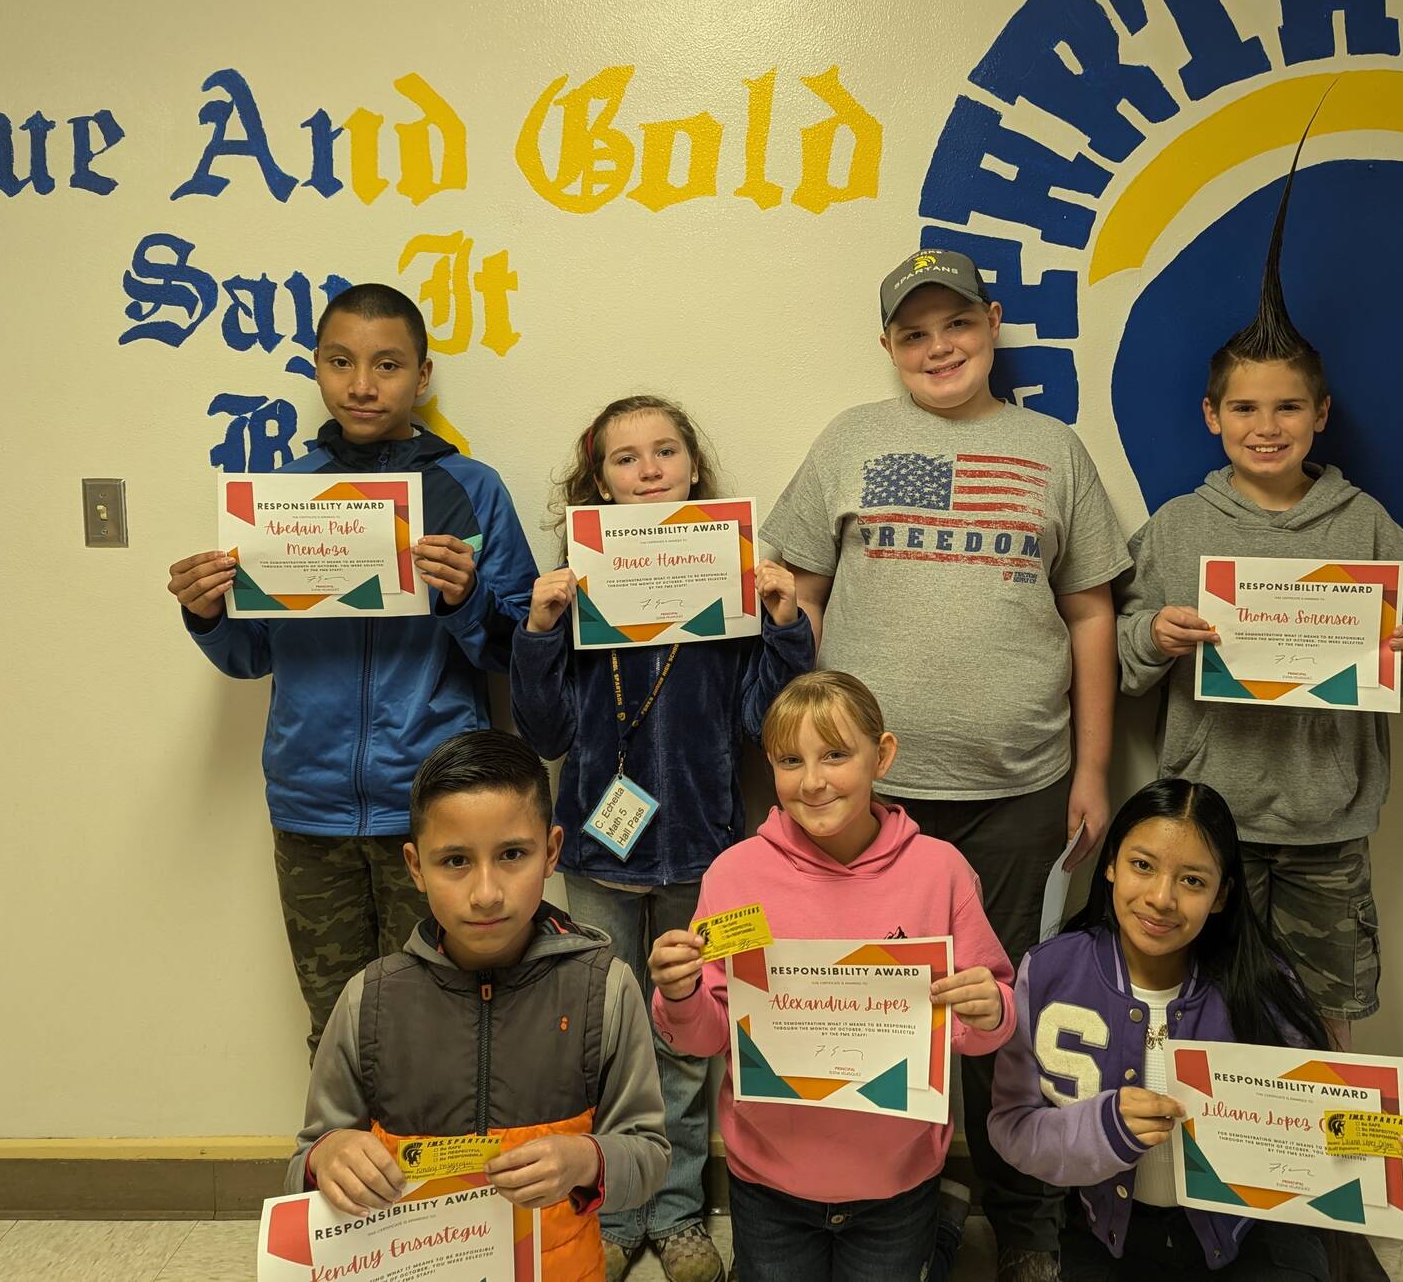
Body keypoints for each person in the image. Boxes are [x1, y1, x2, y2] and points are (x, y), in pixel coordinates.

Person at [763, 250, 1131, 1280]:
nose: (938, 347)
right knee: (873, 1010)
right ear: (888, 347)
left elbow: (1091, 609)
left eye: (955, 324)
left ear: (992, 324)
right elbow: (795, 584)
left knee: (998, 1012)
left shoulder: (1050, 449)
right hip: (863, 799)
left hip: (1019, 787)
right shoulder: (852, 442)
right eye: (913, 333)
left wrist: (1091, 770)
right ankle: (902, 1211)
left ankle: (1023, 1220)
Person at [1115, 144, 1403, 1049]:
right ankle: (1200, 1184)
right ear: (1211, 417)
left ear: (1320, 415)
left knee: (1320, 1023)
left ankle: (1311, 1185)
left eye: (1285, 410)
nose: (1265, 428)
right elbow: (1117, 658)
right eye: (1244, 410)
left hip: (1326, 828)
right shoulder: (1178, 527)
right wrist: (1153, 633)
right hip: (1202, 823)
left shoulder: (1367, 525)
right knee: (1192, 1015)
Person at [166, 283, 537, 1057]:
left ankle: (446, 1182)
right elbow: (250, 656)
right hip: (310, 805)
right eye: (341, 362)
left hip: (437, 809)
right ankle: (346, 1179)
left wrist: (465, 598)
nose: (362, 385)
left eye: (387, 364)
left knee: (450, 1026)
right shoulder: (280, 497)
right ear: (316, 369)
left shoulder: (471, 489)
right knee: (337, 1032)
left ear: (422, 376)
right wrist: (206, 613)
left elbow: (518, 649)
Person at [510, 394, 814, 1282]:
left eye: (666, 452)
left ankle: (678, 1210)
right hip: (600, 852)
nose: (648, 470)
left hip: (714, 852)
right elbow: (546, 735)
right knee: (603, 1034)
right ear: (595, 480)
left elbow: (768, 720)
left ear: (693, 468)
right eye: (625, 459)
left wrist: (786, 624)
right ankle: (612, 1209)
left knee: (692, 1035)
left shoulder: (735, 575)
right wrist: (539, 630)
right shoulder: (576, 584)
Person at [989, 778, 1403, 1279]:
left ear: (1221, 896)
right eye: (1142, 865)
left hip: (1250, 1239)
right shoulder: (1049, 972)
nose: (1161, 898)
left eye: (1192, 881)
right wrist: (1103, 1128)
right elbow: (1013, 1126)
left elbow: (1327, 1124)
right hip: (1107, 1238)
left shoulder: (1260, 984)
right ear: (1110, 864)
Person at [648, 671, 1015, 1281]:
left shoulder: (940, 873)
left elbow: (983, 1025)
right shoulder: (735, 877)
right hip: (767, 1180)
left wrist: (991, 1010)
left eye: (836, 755)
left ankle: (941, 1232)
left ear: (883, 755)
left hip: (897, 1181)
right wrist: (680, 993)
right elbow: (705, 1037)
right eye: (791, 760)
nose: (813, 781)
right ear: (769, 766)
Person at [285, 729, 670, 1282]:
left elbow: (650, 1156)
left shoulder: (606, 989)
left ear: (552, 853)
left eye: (512, 854)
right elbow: (305, 1160)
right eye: (455, 861)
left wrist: (587, 1160)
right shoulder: (368, 999)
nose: (486, 892)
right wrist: (329, 1157)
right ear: (415, 868)